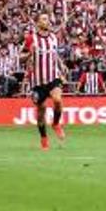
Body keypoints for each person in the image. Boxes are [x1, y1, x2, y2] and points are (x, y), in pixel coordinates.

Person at [23, 12, 67, 151]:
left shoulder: (53, 37)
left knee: (58, 100)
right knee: (41, 111)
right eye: (43, 19)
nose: (47, 21)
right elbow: (20, 57)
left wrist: (61, 65)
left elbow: (54, 54)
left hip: (52, 77)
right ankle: (44, 138)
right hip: (37, 81)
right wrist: (30, 53)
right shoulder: (31, 39)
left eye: (48, 19)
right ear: (37, 23)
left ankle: (55, 123)